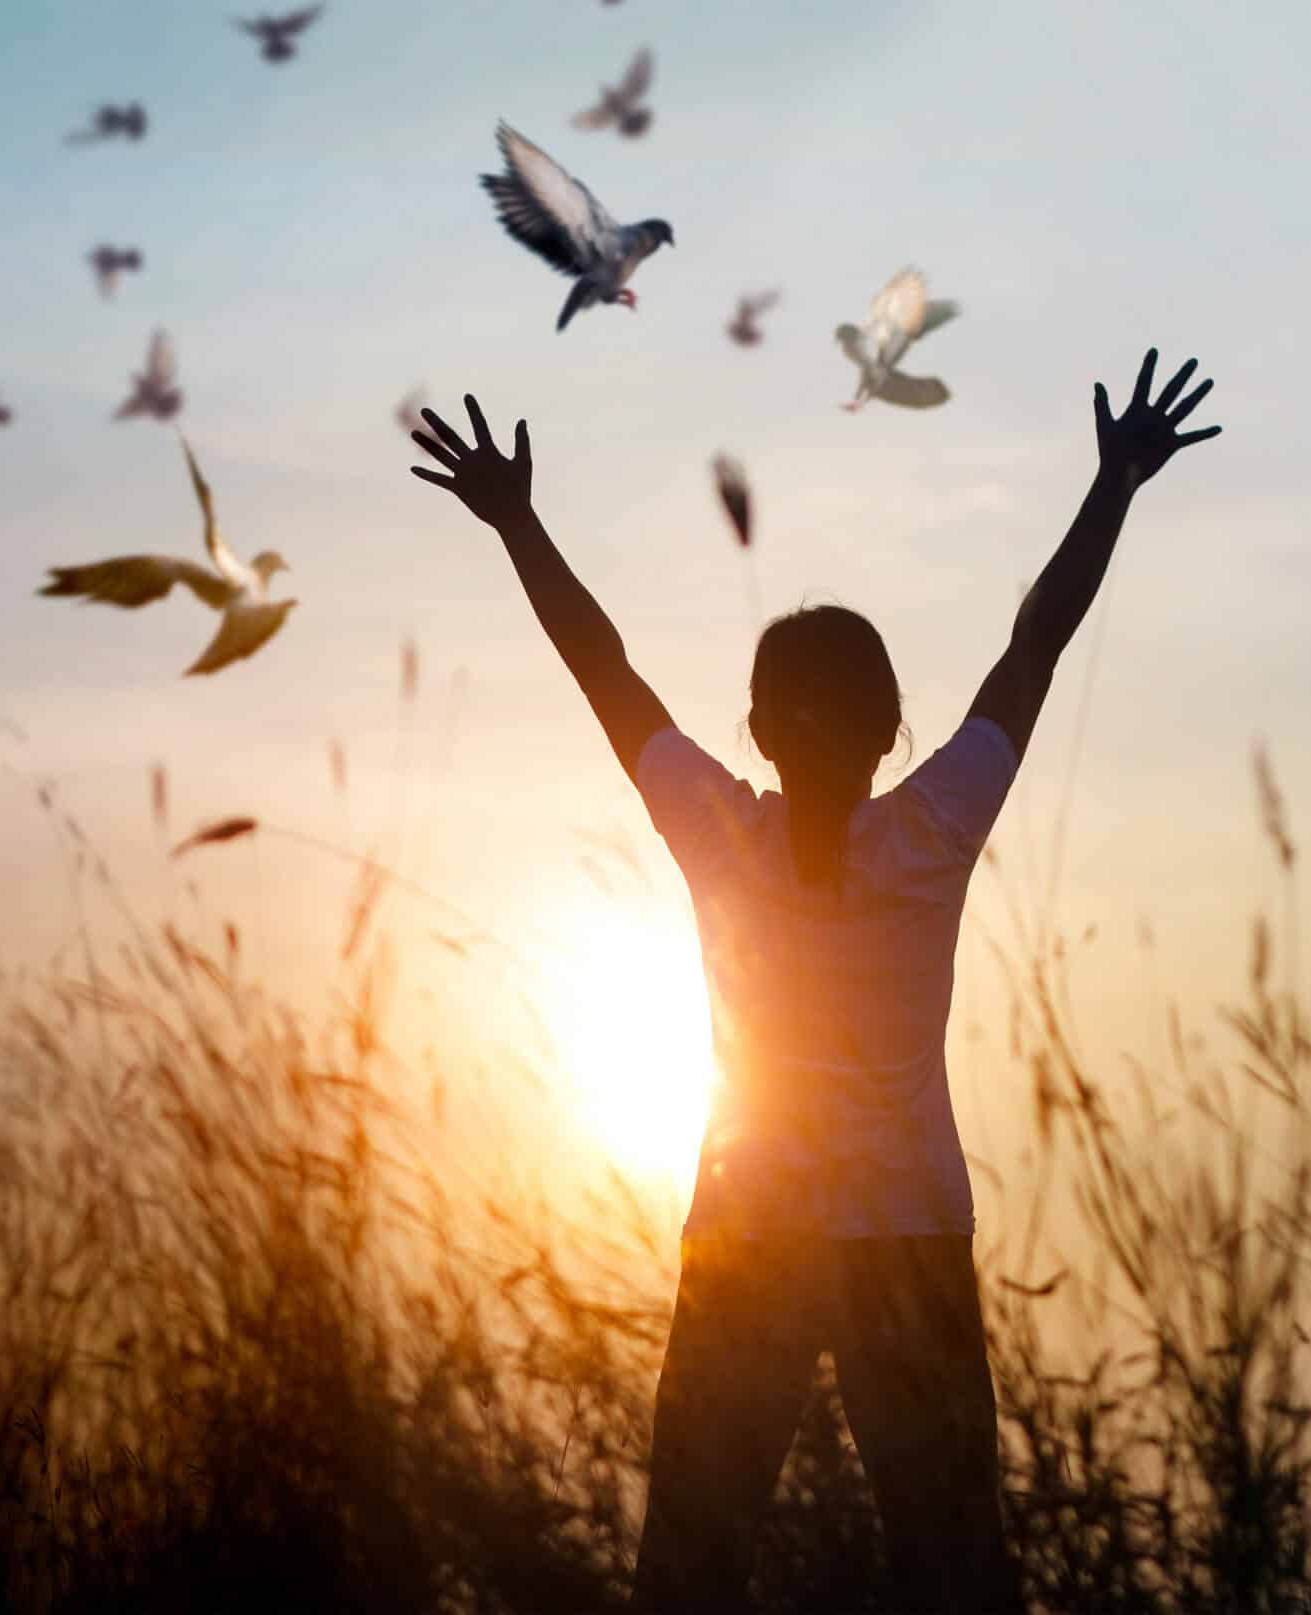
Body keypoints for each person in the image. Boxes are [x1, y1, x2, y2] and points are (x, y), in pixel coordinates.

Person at [407, 351, 1220, 1612]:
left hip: (749, 1241)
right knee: (956, 1571)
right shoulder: (931, 827)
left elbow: (605, 674)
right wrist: (1113, 484)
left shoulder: (720, 832)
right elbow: (1033, 648)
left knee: (689, 1567)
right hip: (904, 1238)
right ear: (894, 725)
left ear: (759, 725)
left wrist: (517, 521)